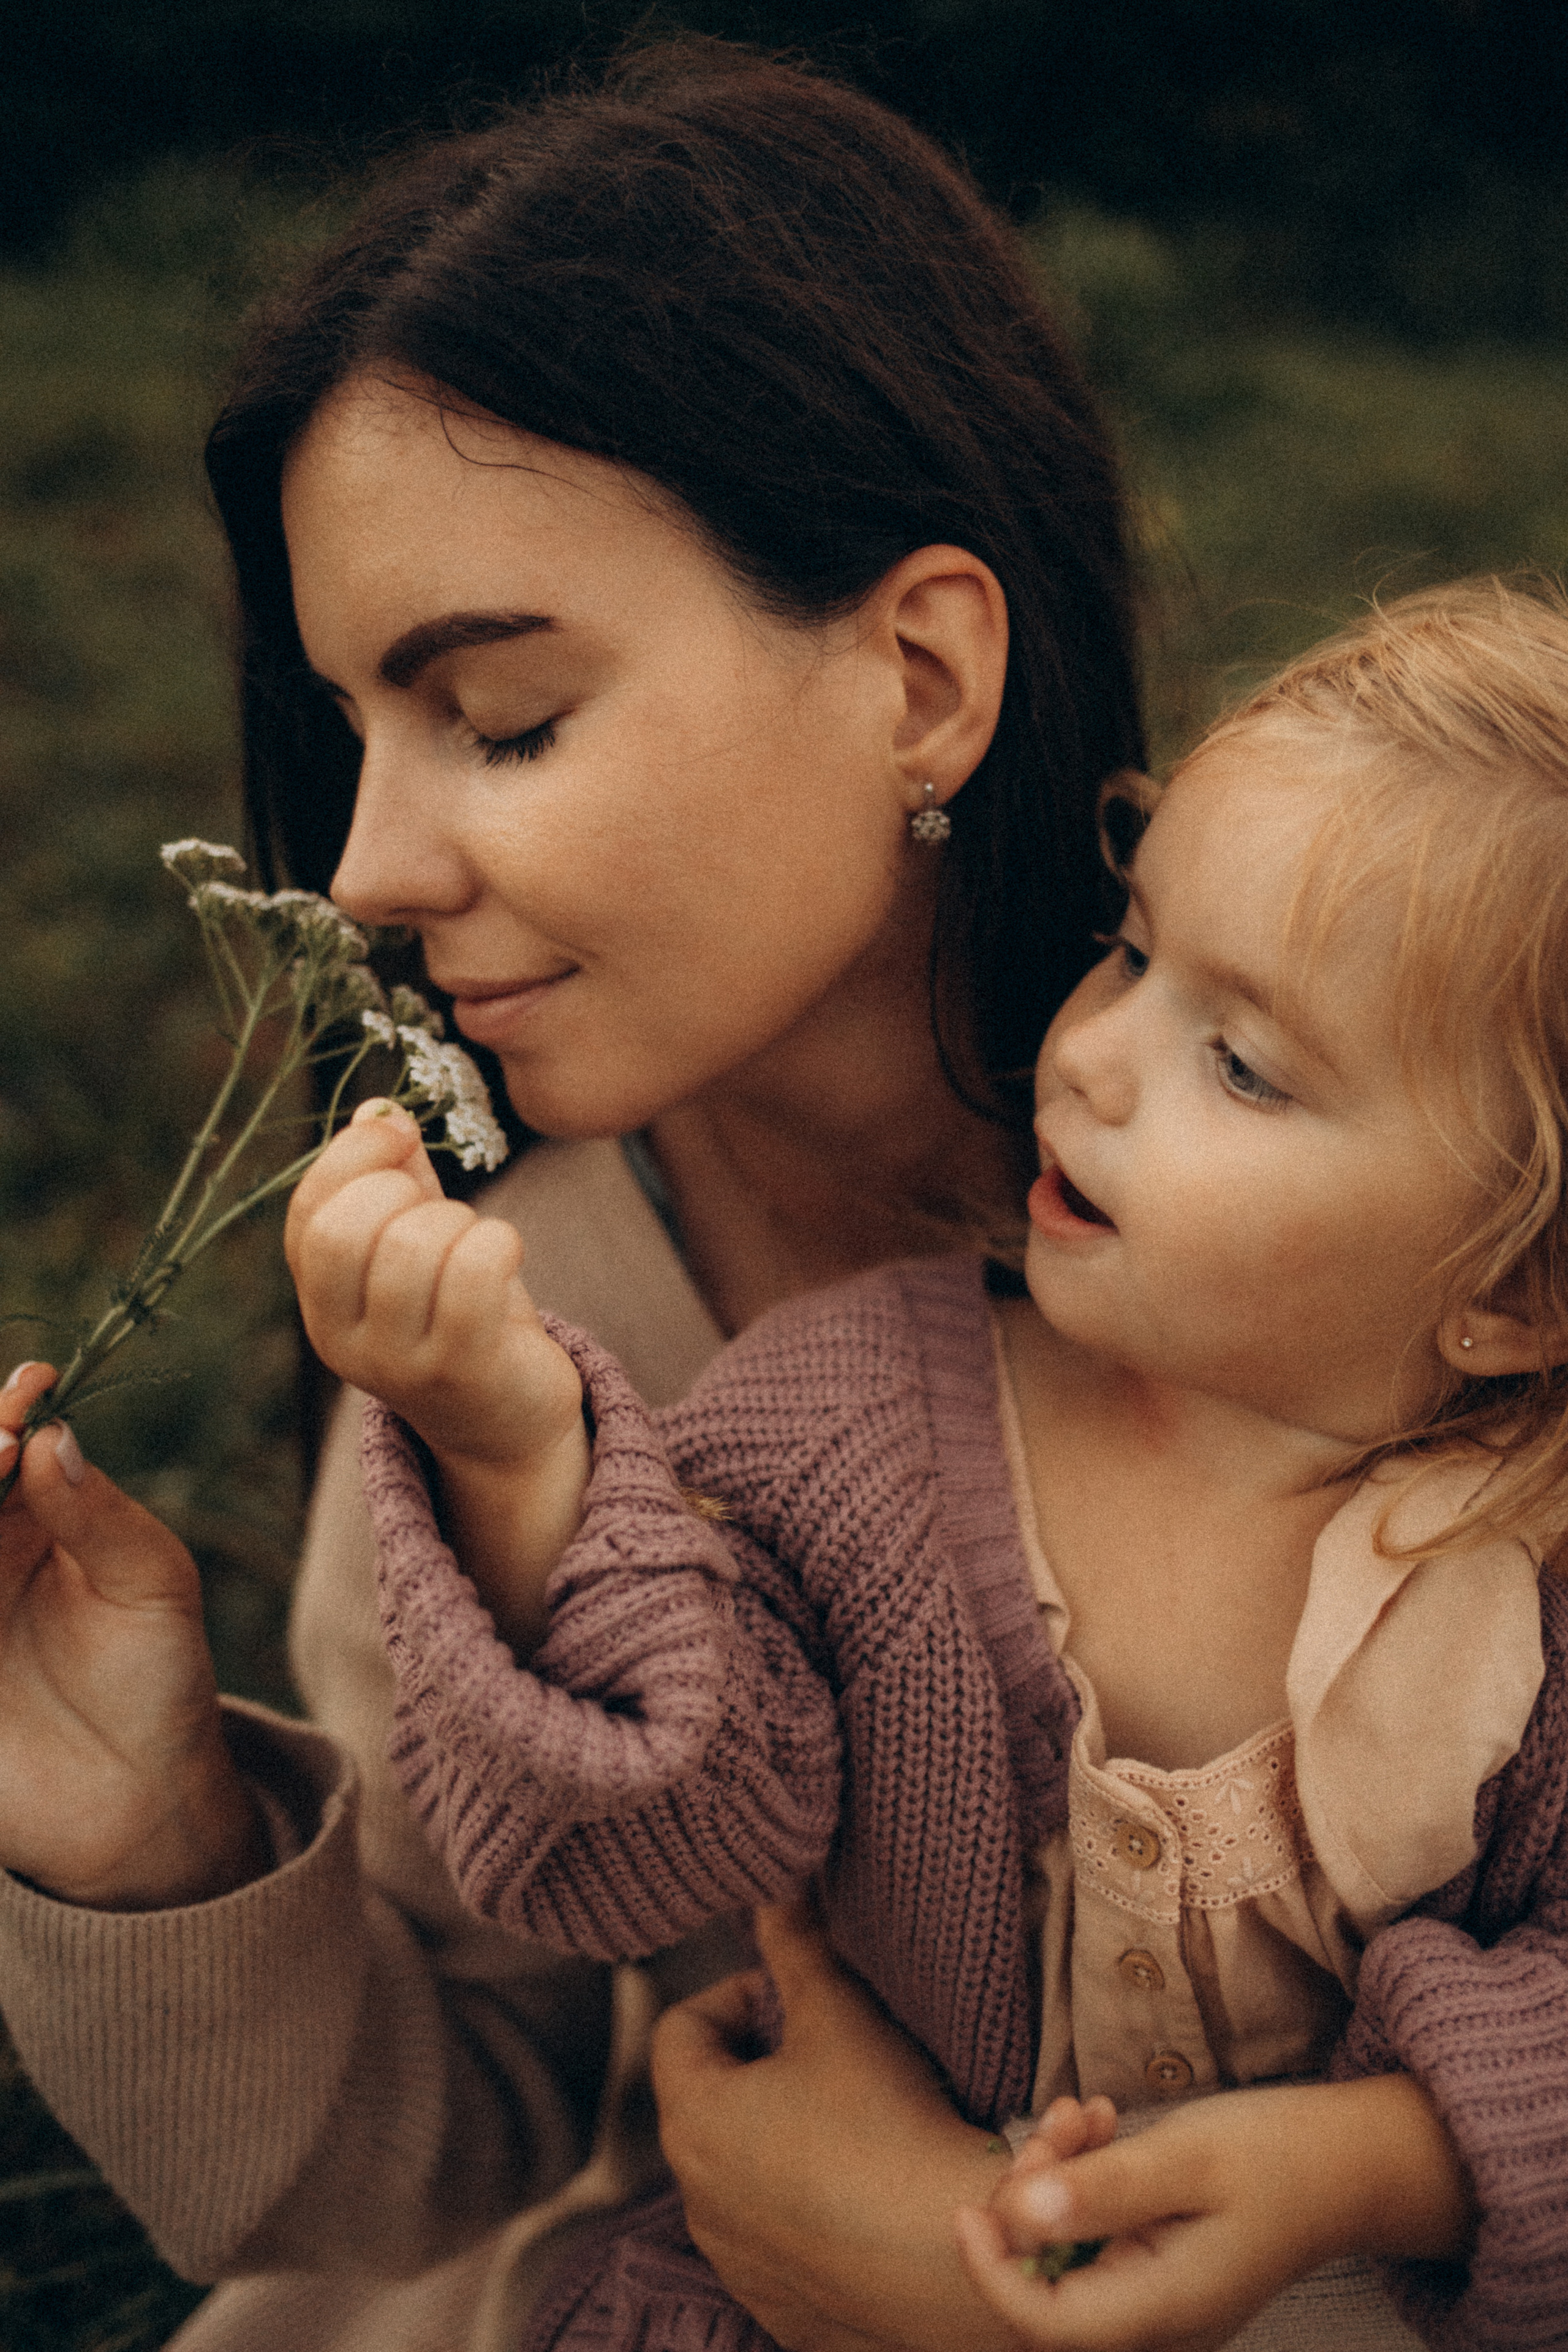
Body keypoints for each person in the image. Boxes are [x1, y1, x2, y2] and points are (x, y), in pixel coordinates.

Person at [0, 40, 1145, 2352]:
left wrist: (978, 2283)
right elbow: (427, 2147)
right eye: (351, 738)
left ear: (922, 674)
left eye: (502, 719)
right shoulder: (502, 1298)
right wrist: (153, 1839)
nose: (368, 872)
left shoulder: (1434, 1180)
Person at [289, 576, 1568, 2352]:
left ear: (1515, 1292)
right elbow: (650, 1843)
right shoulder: (856, 1425)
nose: (1097, 1058)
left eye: (1246, 1067)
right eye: (1132, 951)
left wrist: (1388, 2160)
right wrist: (520, 1466)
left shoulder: (1528, 1582)